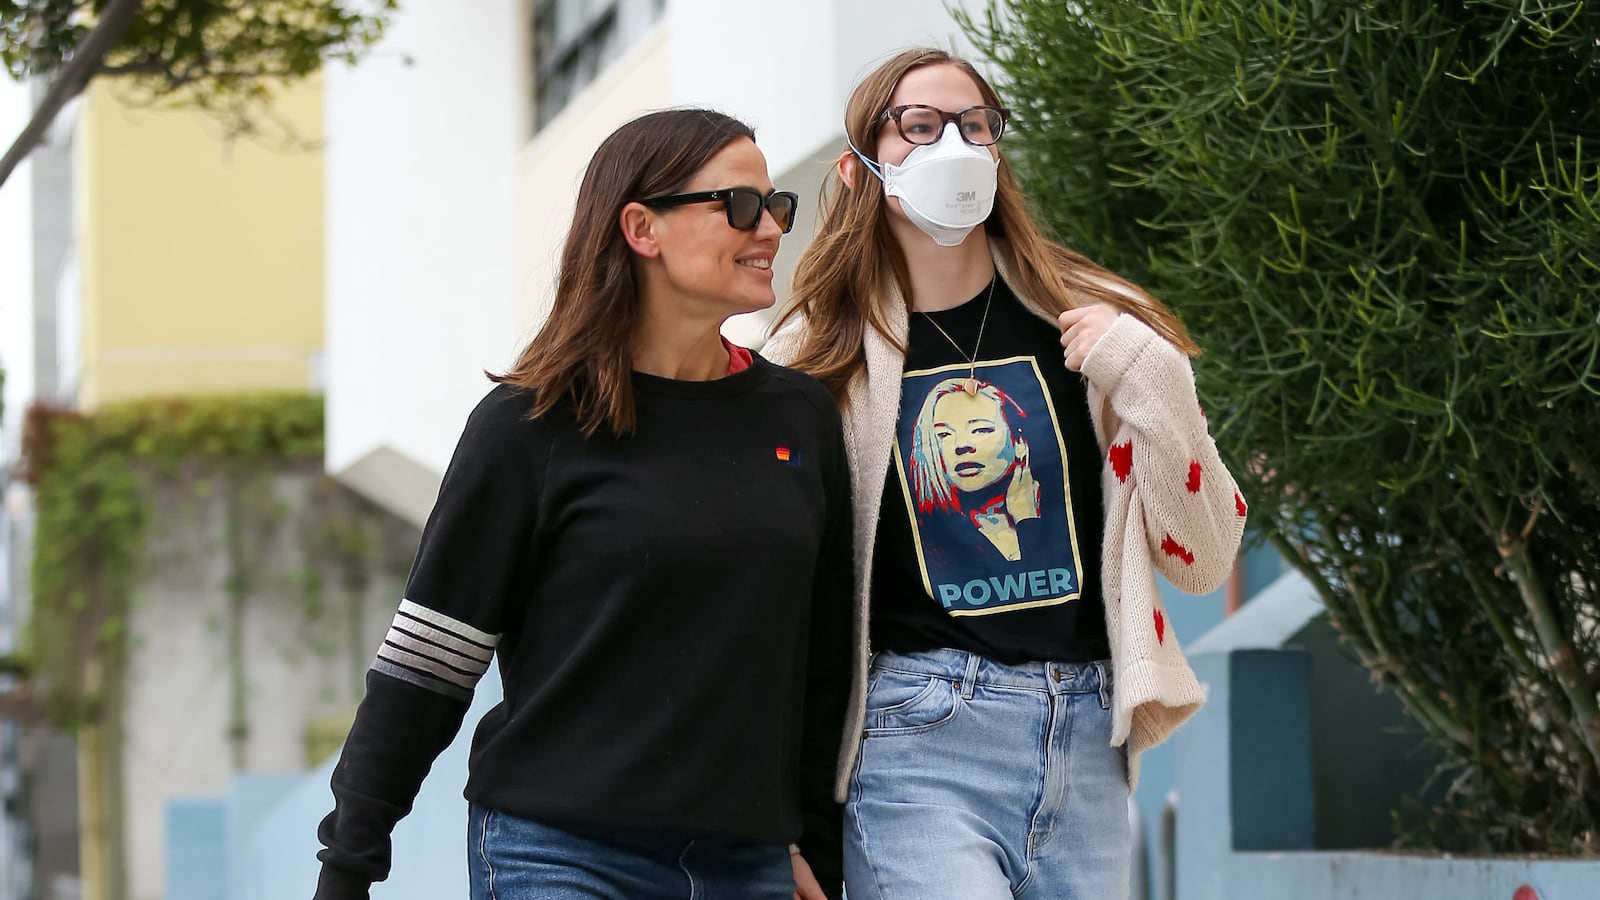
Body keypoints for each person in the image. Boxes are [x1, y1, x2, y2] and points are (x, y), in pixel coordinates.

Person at [313, 108, 851, 900]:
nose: (769, 228)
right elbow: (429, 664)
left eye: (777, 207)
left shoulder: (798, 415)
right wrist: (347, 868)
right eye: (739, 205)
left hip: (748, 865)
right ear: (642, 228)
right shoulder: (530, 426)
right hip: (561, 856)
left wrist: (813, 840)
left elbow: (822, 653)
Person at [763, 48, 1249, 900]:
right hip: (917, 736)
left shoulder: (1095, 322)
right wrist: (784, 818)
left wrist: (1153, 373)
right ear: (860, 168)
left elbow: (1203, 557)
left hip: (1086, 735)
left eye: (976, 124)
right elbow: (779, 602)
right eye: (919, 126)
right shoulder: (816, 356)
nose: (954, 142)